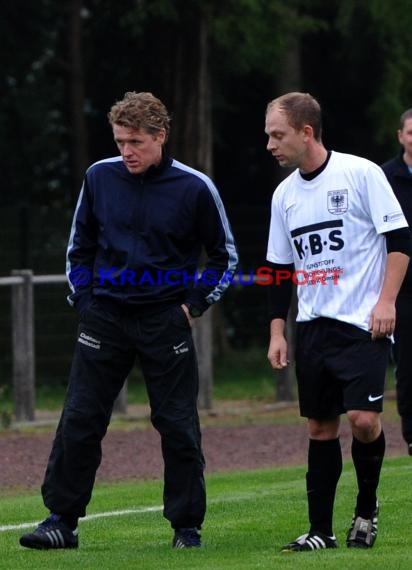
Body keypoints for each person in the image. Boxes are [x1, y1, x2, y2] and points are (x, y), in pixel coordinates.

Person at [19, 91, 238, 550]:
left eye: (135, 141)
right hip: (105, 318)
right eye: (120, 141)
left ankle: (186, 528)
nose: (126, 151)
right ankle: (61, 521)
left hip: (165, 319)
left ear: (160, 136)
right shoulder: (99, 177)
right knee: (80, 418)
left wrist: (191, 306)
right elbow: (79, 245)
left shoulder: (195, 187)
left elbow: (225, 257)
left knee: (177, 423)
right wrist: (85, 303)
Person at [264, 92, 410, 552]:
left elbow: (401, 239)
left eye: (277, 134)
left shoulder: (361, 174)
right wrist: (276, 331)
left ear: (306, 132)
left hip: (362, 323)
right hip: (312, 328)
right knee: (320, 428)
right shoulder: (283, 195)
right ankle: (321, 531)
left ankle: (366, 511)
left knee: (364, 420)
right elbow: (277, 269)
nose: (270, 144)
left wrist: (387, 302)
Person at [381, 109, 412, 454]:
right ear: (400, 136)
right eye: (411, 132)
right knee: (407, 363)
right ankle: (411, 433)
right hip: (402, 288)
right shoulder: (385, 177)